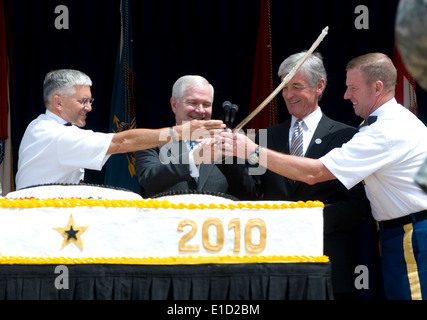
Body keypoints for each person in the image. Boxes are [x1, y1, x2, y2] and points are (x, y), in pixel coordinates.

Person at [221, 52, 427, 300]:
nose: (346, 95)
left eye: (353, 88)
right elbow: (251, 191)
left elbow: (316, 173)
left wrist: (251, 150)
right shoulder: (385, 124)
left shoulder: (380, 132)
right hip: (394, 234)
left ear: (377, 87)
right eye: (284, 87)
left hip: (404, 237)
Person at [245, 52, 372, 299]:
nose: (289, 95)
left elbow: (359, 204)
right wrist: (230, 161)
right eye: (284, 87)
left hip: (328, 263)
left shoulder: (348, 137)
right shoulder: (263, 138)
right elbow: (250, 192)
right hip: (275, 264)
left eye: (296, 86)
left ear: (319, 86)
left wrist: (307, 221)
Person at [15, 69, 224, 190]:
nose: (89, 107)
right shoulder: (53, 134)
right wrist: (180, 133)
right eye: (83, 101)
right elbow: (121, 143)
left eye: (90, 100)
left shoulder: (44, 127)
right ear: (58, 102)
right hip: (40, 223)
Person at [135, 75, 258, 199]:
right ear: (174, 104)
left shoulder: (227, 142)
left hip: (217, 218)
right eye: (193, 103)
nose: (200, 110)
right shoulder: (152, 141)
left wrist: (227, 157)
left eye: (206, 105)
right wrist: (193, 159)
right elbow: (148, 181)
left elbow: (249, 195)